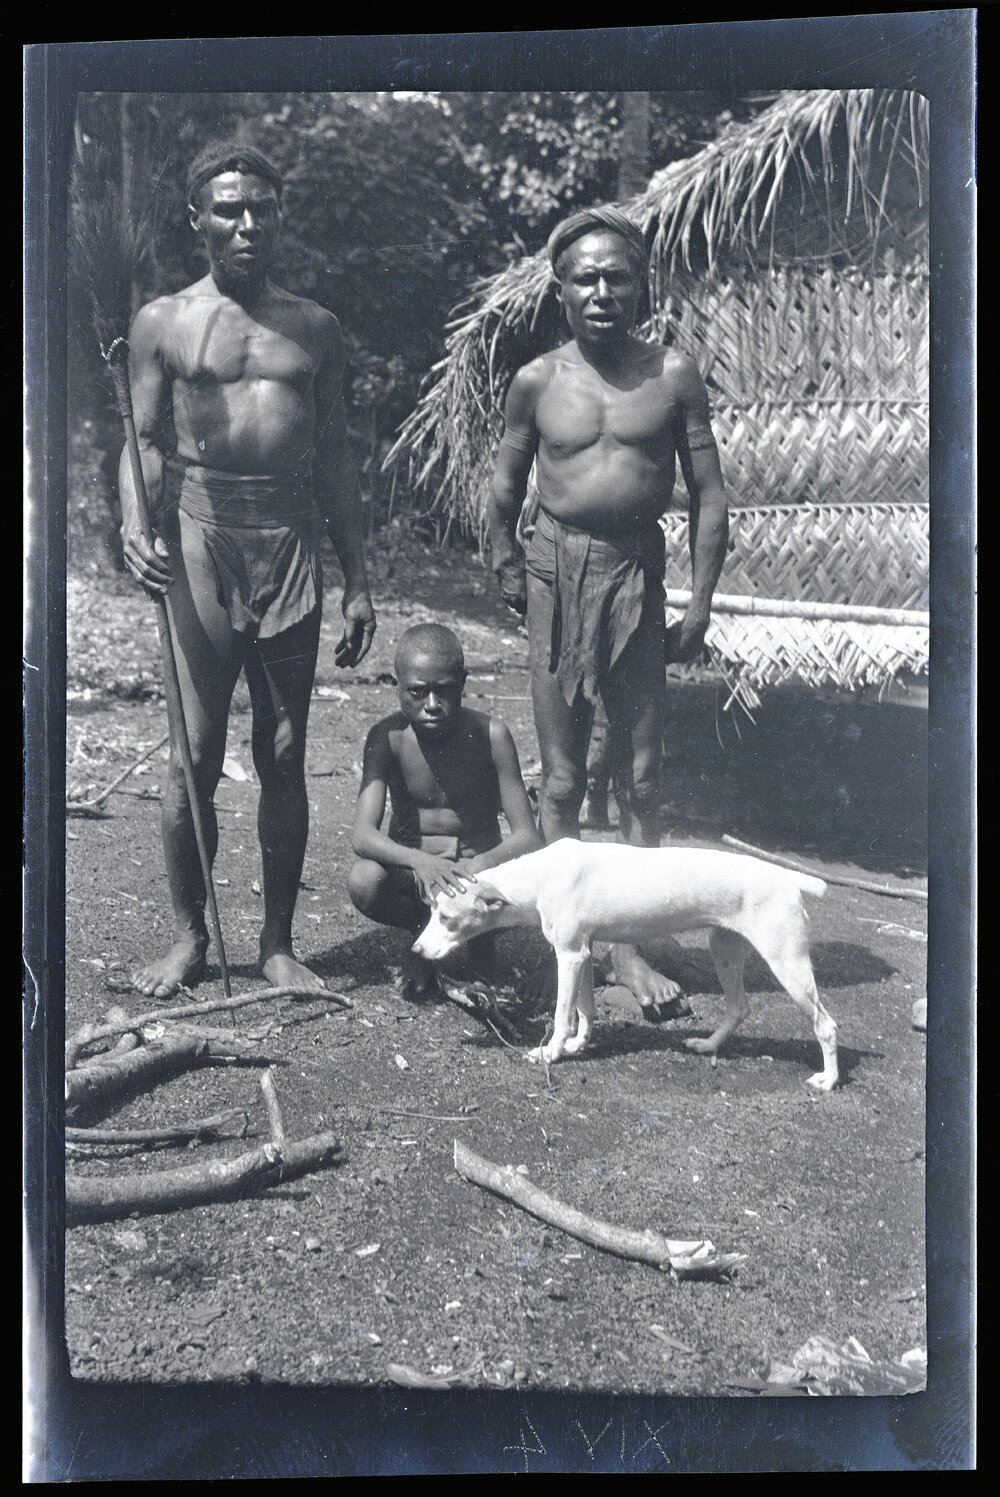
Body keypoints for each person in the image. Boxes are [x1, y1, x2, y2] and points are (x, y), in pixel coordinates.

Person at [119, 141, 377, 998]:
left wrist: (360, 576)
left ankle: (274, 941)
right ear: (198, 218)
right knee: (193, 753)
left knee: (285, 748)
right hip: (202, 534)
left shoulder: (315, 328)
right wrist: (132, 522)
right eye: (229, 208)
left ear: (280, 216)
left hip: (290, 542)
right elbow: (144, 441)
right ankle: (190, 937)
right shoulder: (164, 321)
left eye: (261, 207)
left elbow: (336, 457)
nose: (247, 223)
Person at [486, 205, 729, 1013]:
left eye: (616, 276)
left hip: (636, 573)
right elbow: (504, 484)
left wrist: (699, 601)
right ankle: (572, 948)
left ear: (640, 286)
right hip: (557, 571)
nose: (601, 291)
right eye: (585, 278)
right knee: (559, 778)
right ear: (560, 290)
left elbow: (709, 493)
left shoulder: (672, 375)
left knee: (643, 779)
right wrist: (507, 563)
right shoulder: (537, 380)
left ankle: (630, 948)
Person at [348, 623, 541, 999]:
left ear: (464, 682)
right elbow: (362, 836)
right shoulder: (387, 739)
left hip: (479, 869)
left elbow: (527, 836)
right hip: (414, 874)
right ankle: (424, 930)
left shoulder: (490, 735)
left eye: (445, 691)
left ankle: (482, 947)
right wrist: (420, 862)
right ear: (396, 684)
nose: (432, 705)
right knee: (364, 881)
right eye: (418, 692)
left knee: (531, 883)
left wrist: (479, 864)